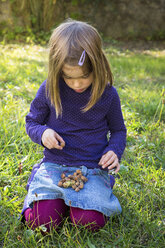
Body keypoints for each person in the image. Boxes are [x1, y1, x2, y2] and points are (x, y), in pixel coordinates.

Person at [21, 19, 127, 232]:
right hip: (55, 166)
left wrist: (113, 151)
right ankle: (40, 179)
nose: (77, 84)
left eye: (84, 76)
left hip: (93, 168)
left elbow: (118, 130)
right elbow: (32, 121)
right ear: (57, 69)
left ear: (97, 65)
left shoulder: (107, 95)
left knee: (89, 222)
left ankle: (103, 186)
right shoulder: (50, 89)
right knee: (40, 222)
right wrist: (43, 133)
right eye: (69, 77)